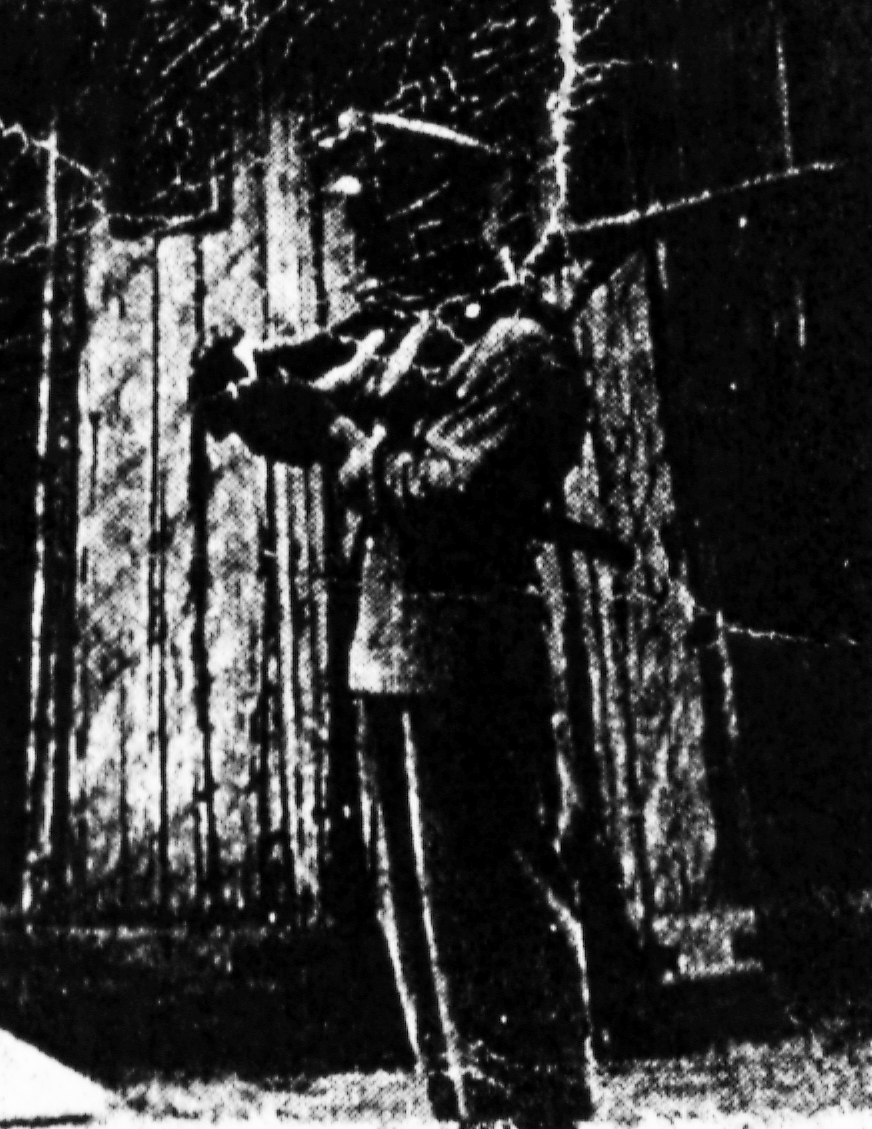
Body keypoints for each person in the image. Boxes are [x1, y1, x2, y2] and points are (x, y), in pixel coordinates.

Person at [329, 268, 598, 1127]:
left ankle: (538, 1102)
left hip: (471, 657)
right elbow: (353, 417)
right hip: (394, 650)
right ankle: (463, 1102)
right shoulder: (424, 338)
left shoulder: (517, 347)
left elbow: (454, 489)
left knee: (496, 893)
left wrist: (357, 455)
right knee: (418, 908)